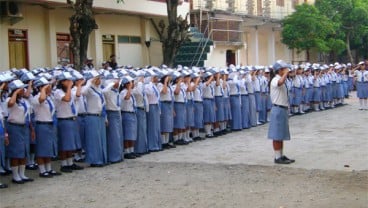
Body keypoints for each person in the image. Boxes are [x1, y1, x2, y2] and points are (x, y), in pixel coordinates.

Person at [31, 77, 61, 178]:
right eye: (47, 86)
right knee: (41, 149)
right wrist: (43, 89)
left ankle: (49, 168)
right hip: (41, 125)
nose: (50, 87)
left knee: (48, 148)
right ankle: (42, 170)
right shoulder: (36, 97)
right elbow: (41, 100)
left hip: (49, 124)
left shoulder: (49, 98)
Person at [54, 72, 84, 172]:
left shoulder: (69, 91)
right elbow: (66, 99)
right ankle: (64, 164)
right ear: (62, 82)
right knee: (64, 144)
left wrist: (78, 85)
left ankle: (70, 162)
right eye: (68, 81)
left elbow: (78, 95)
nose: (70, 82)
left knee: (71, 144)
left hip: (71, 119)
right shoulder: (58, 92)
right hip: (64, 119)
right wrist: (69, 88)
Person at [6, 79, 34, 184]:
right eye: (22, 89)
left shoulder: (24, 101)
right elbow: (11, 104)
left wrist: (31, 129)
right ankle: (15, 175)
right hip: (14, 127)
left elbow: (28, 116)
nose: (24, 90)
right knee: (16, 152)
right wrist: (15, 93)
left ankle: (22, 174)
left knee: (24, 151)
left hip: (23, 126)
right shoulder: (9, 99)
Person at [268, 60, 295, 165]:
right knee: (276, 134)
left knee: (281, 134)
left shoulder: (281, 78)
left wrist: (287, 74)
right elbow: (280, 83)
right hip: (278, 108)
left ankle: (281, 155)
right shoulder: (275, 79)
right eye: (284, 68)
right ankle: (277, 156)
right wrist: (285, 74)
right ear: (279, 70)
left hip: (282, 108)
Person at [82, 70, 108, 167]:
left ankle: (102, 159)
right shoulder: (89, 89)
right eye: (97, 78)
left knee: (101, 139)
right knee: (94, 139)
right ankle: (95, 160)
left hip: (100, 116)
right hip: (92, 116)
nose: (99, 80)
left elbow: (103, 104)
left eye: (99, 78)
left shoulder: (99, 89)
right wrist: (89, 82)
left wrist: (105, 118)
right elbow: (82, 93)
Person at [102, 73, 123, 163]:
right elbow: (105, 91)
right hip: (111, 113)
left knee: (118, 136)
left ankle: (118, 155)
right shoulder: (108, 91)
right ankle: (113, 157)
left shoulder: (116, 91)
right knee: (113, 136)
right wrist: (112, 84)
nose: (118, 83)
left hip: (117, 112)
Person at [120, 76, 138, 159]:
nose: (132, 84)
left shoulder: (131, 92)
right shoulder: (124, 92)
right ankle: (127, 151)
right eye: (130, 83)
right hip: (126, 113)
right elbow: (126, 98)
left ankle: (131, 150)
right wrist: (130, 88)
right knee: (127, 134)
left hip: (132, 113)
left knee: (132, 133)